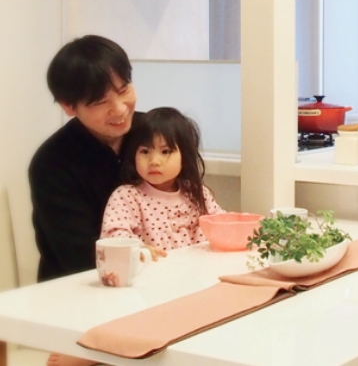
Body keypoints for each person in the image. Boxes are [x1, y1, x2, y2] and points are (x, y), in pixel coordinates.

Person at [29, 35, 140, 283]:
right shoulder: (51, 163)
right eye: (100, 102)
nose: (120, 109)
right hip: (80, 287)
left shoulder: (155, 135)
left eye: (124, 90)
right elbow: (79, 257)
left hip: (160, 277)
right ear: (69, 107)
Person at [100, 106, 224, 251]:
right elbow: (114, 235)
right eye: (145, 151)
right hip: (150, 266)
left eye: (165, 151)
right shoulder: (127, 196)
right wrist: (140, 249)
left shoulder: (197, 193)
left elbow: (223, 225)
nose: (154, 161)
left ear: (185, 157)